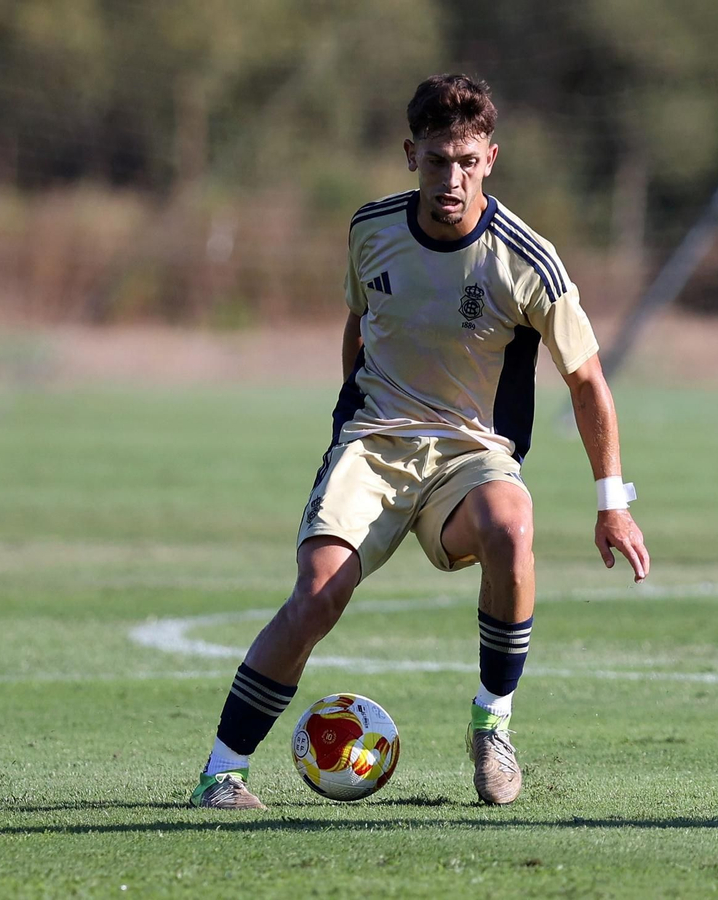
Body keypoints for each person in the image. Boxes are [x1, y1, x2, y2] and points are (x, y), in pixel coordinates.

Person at [190, 73, 650, 809]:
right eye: (438, 160)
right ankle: (221, 772)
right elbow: (359, 322)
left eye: (467, 162)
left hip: (470, 457)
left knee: (512, 523)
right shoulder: (369, 230)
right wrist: (350, 424)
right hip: (374, 445)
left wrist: (612, 501)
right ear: (412, 155)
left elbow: (589, 382)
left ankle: (491, 723)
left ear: (490, 159)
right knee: (316, 597)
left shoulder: (527, 260)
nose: (452, 178)